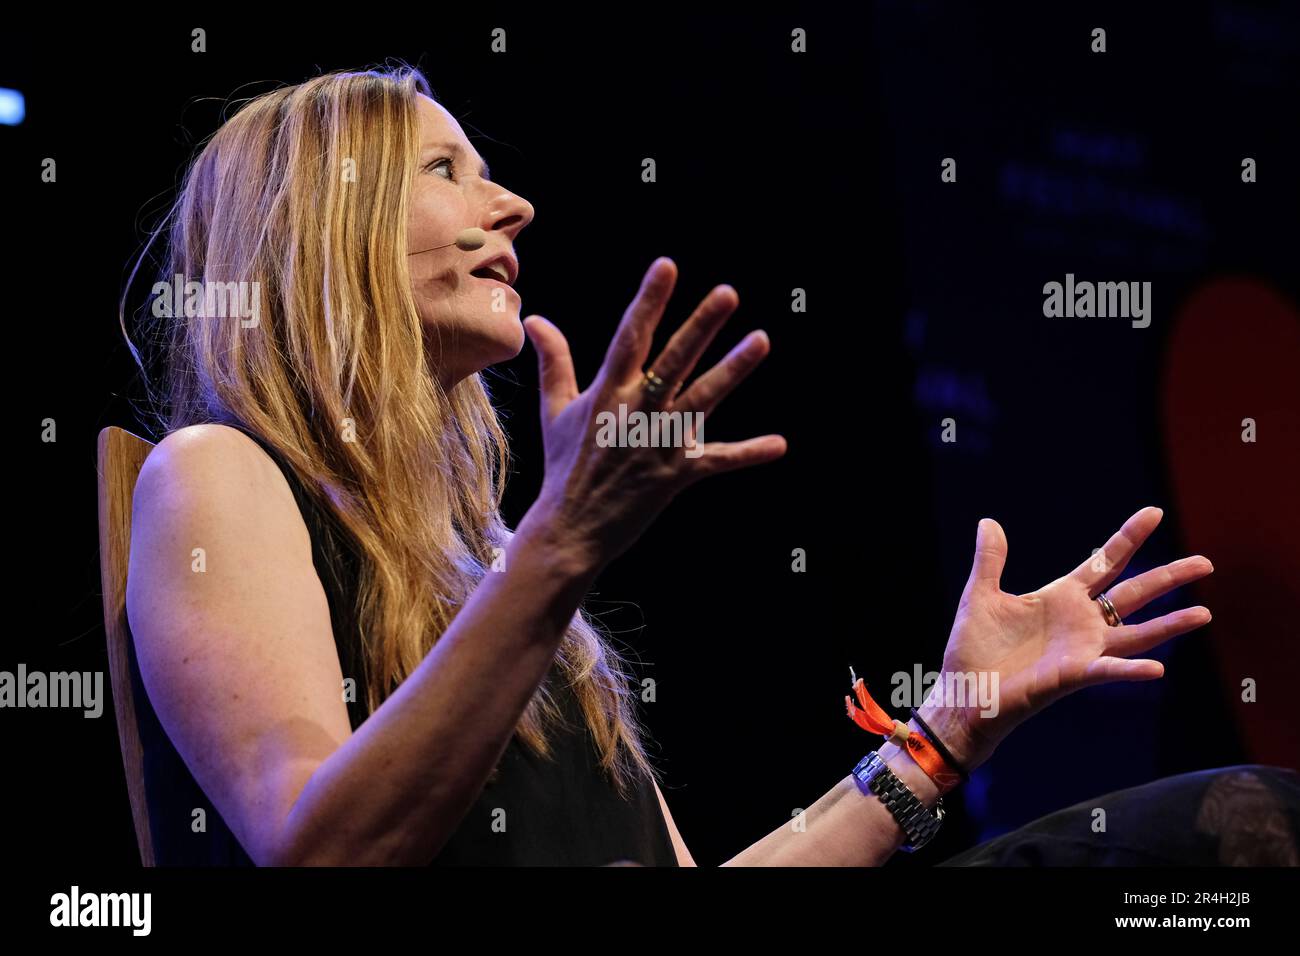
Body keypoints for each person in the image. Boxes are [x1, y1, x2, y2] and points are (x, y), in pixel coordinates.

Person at [120, 64, 1223, 866]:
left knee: (1231, 830)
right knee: (1224, 836)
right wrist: (562, 546)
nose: (511, 205)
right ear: (324, 223)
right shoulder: (214, 475)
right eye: (447, 170)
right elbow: (317, 853)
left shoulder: (489, 566)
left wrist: (942, 737)